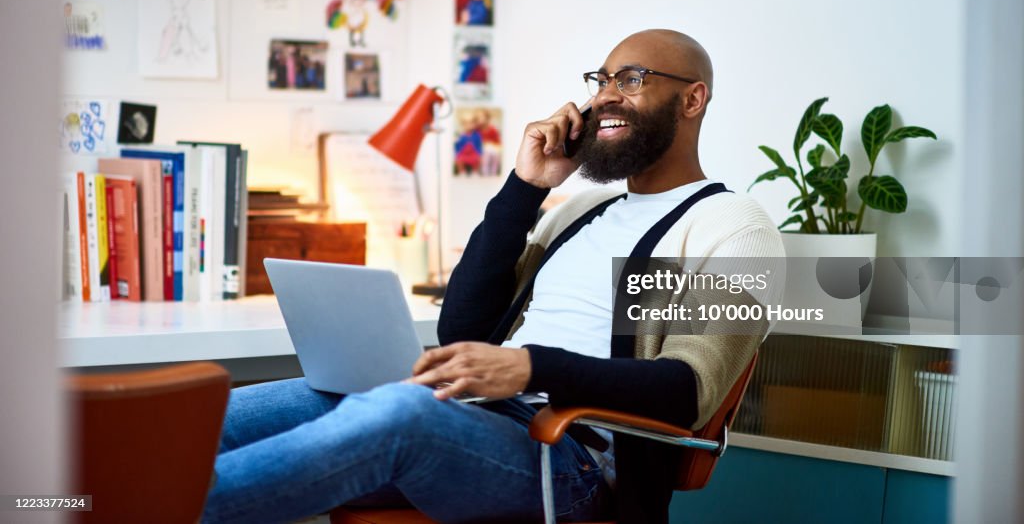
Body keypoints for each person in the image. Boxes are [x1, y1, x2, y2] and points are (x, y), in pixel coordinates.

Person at [201, 29, 783, 524]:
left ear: (692, 99)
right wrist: (526, 187)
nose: (604, 97)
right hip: (471, 420)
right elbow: (464, 327)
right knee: (215, 416)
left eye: (630, 80)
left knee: (398, 414)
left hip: (567, 458)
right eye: (600, 81)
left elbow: (685, 390)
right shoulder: (578, 211)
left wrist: (530, 367)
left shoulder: (734, 227)